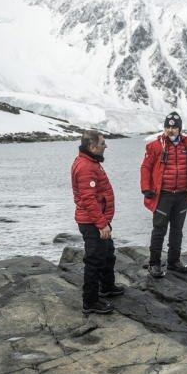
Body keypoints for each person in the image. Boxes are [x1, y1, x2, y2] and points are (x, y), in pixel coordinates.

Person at [140, 112, 187, 278]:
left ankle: (174, 262)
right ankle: (154, 264)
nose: (170, 130)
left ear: (179, 128)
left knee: (177, 230)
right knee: (159, 230)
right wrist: (146, 188)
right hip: (163, 195)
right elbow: (145, 168)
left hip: (182, 195)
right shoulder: (155, 146)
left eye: (174, 127)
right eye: (167, 126)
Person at [71, 130, 123, 315]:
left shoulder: (91, 162)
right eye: (102, 143)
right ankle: (90, 301)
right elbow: (88, 199)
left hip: (99, 220)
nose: (106, 146)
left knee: (108, 254)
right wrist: (101, 224)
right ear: (92, 146)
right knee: (94, 261)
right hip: (93, 222)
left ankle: (107, 286)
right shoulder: (86, 167)